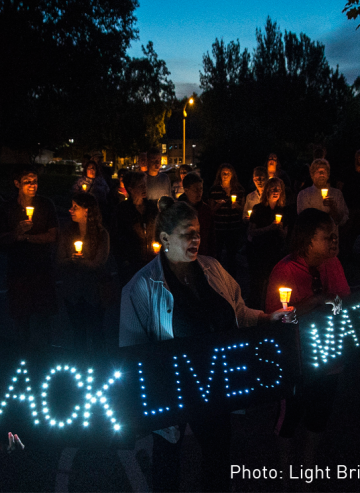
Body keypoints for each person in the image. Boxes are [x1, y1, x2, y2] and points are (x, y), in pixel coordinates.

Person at [120, 197, 294, 493]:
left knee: (217, 457)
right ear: (164, 238)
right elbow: (132, 354)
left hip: (216, 387)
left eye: (198, 232)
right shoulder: (141, 287)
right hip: (172, 394)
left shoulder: (212, 269)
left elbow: (238, 312)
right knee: (167, 461)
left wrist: (267, 317)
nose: (196, 239)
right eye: (188, 233)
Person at [265, 208, 350, 477]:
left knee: (318, 417)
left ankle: (308, 472)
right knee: (290, 417)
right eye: (328, 237)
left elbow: (343, 303)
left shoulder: (332, 263)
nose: (335, 241)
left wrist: (335, 305)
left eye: (336, 236)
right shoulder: (285, 271)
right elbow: (276, 322)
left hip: (329, 357)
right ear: (308, 239)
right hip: (298, 362)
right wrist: (312, 302)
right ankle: (287, 475)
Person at [0, 166, 59, 344]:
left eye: (35, 181)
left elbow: (53, 235)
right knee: (21, 319)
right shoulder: (7, 208)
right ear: (17, 184)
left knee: (44, 319)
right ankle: (24, 357)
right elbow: (0, 241)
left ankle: (46, 357)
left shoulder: (46, 205)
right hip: (18, 272)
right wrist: (16, 233)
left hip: (42, 270)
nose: (32, 185)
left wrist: (27, 237)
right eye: (27, 182)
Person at [58, 193, 110, 355]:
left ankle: (99, 367)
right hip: (73, 292)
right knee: (78, 334)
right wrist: (71, 260)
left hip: (94, 292)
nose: (70, 210)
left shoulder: (101, 234)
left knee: (97, 333)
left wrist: (81, 261)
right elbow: (59, 261)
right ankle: (81, 365)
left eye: (75, 207)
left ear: (87, 211)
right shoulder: (67, 233)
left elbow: (99, 263)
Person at [247, 177, 288, 309]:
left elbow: (285, 235)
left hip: (275, 252)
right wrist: (269, 228)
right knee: (258, 282)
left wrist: (280, 230)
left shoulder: (284, 210)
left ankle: (271, 308)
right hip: (259, 251)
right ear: (267, 191)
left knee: (274, 282)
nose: (276, 191)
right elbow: (251, 232)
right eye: (273, 188)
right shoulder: (258, 209)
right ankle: (255, 310)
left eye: (278, 188)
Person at [111, 171, 158, 286]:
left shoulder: (152, 208)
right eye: (140, 186)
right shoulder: (122, 210)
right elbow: (117, 238)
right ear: (131, 189)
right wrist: (124, 261)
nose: (144, 188)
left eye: (145, 185)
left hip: (151, 262)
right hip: (131, 264)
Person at [209, 163, 245, 278]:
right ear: (219, 174)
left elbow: (244, 211)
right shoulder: (214, 190)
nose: (225, 175)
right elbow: (210, 211)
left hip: (233, 228)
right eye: (223, 173)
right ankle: (217, 277)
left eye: (228, 173)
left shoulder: (239, 190)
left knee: (232, 256)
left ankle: (231, 279)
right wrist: (217, 206)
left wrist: (236, 206)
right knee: (217, 254)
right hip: (219, 227)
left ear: (232, 175)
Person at [297, 159, 348, 227]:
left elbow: (343, 219)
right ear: (312, 174)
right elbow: (303, 218)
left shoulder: (337, 194)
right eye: (318, 171)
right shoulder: (304, 195)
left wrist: (333, 207)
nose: (321, 174)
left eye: (324, 171)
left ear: (328, 174)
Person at [178, 171, 215, 257]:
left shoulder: (206, 210)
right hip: (183, 254)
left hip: (202, 253)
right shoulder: (178, 210)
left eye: (201, 189)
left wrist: (212, 255)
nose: (199, 193)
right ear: (186, 190)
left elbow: (211, 236)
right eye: (196, 190)